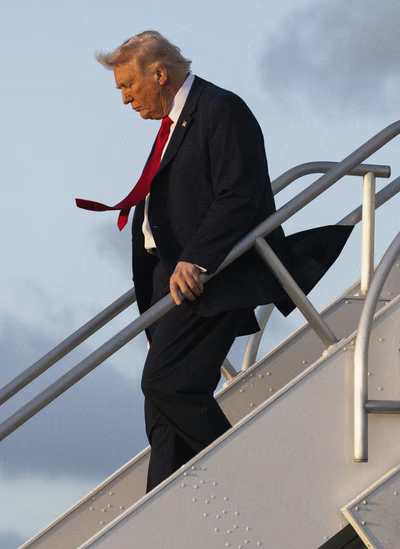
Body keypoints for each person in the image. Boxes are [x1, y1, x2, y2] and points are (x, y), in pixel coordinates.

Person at [77, 31, 352, 492]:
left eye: (127, 85)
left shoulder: (220, 109)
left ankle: (250, 485)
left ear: (159, 73)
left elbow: (239, 194)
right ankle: (161, 518)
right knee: (163, 413)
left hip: (209, 280)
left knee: (168, 387)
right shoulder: (173, 124)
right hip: (170, 282)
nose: (125, 99)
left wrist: (197, 261)